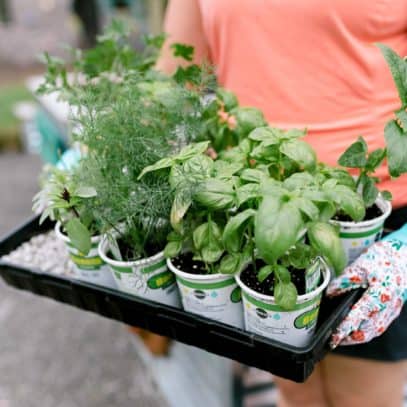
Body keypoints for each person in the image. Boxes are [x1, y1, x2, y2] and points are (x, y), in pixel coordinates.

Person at [156, 1, 407, 406]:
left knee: (364, 398)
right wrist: (106, 161)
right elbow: (175, 74)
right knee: (296, 393)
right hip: (256, 214)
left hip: (371, 221)